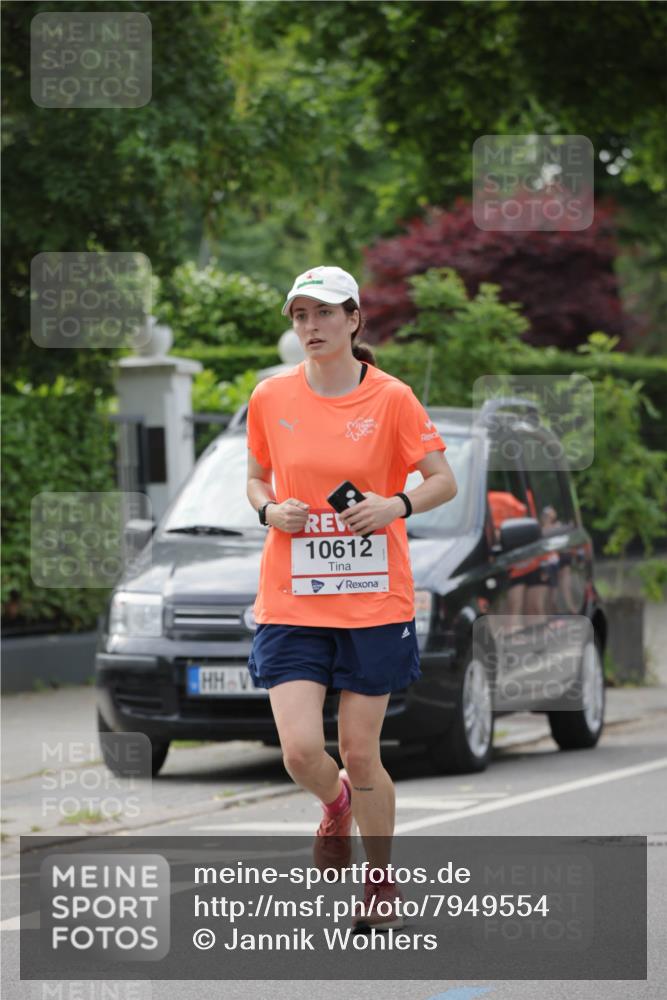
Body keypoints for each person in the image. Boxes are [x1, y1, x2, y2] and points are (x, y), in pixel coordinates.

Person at [245, 265, 457, 931]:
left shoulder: (391, 398)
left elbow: (441, 480)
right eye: (300, 315)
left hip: (372, 602)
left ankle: (379, 883)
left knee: (362, 752)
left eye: (325, 314)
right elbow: (255, 478)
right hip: (292, 598)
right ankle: (334, 803)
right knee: (302, 751)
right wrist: (268, 511)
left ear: (354, 320)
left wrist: (393, 503)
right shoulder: (269, 395)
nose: (312, 327)